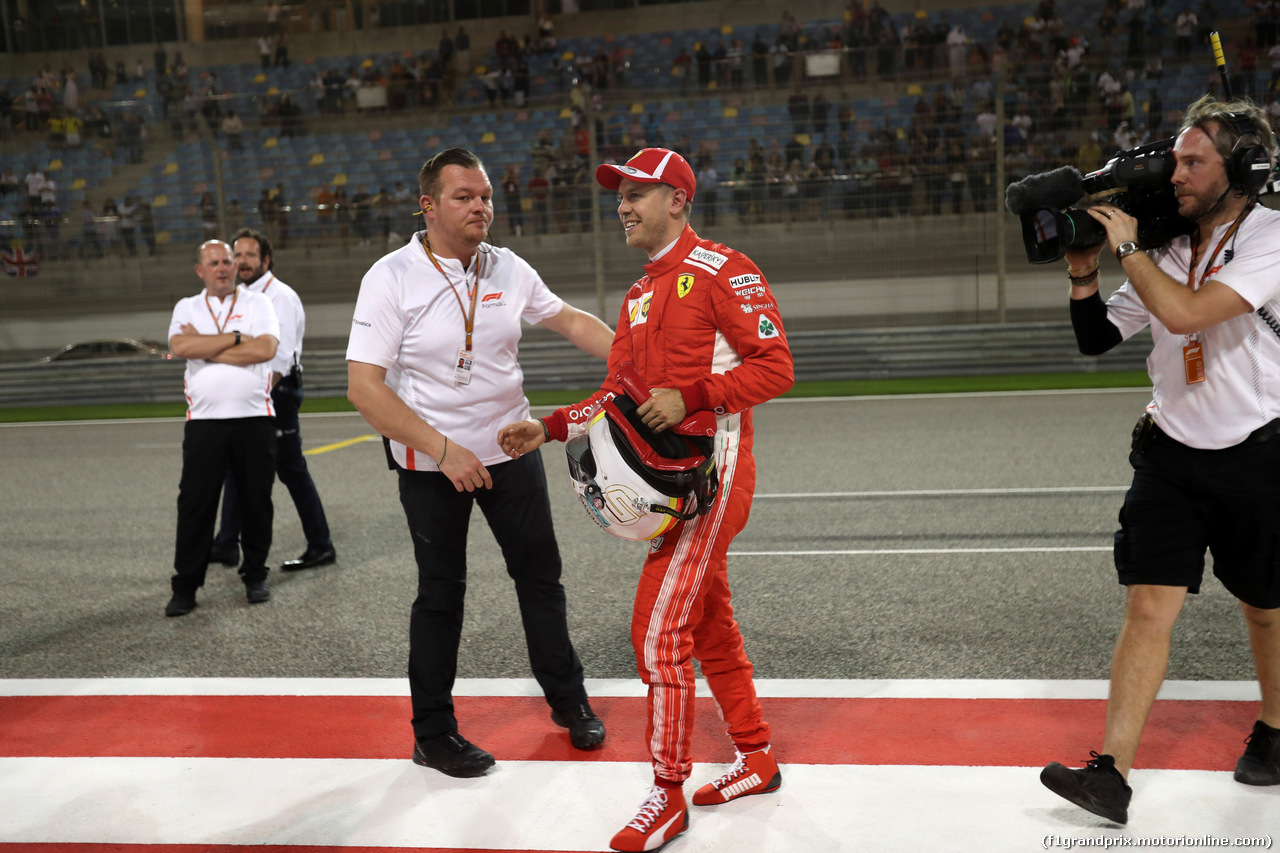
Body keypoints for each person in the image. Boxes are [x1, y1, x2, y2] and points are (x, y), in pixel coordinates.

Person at [497, 148, 794, 853]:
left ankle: (666, 793)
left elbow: (777, 367)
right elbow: (619, 394)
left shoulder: (727, 270)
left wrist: (693, 395)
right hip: (668, 485)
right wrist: (551, 425)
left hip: (715, 475)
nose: (622, 206)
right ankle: (756, 756)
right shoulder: (635, 295)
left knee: (658, 630)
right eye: (619, 195)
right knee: (710, 622)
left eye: (637, 193)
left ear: (678, 201)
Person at [1040, 95, 1280, 824]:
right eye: (1175, 157)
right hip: (1170, 451)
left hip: (1257, 452)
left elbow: (1184, 313)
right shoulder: (1171, 245)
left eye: (1192, 160)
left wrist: (1130, 251)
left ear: (1239, 170)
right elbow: (1098, 338)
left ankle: (1275, 727)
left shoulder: (1272, 236)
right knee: (1148, 605)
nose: (1173, 172)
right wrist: (1085, 274)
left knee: (1265, 609)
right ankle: (1109, 773)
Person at [345, 148, 616, 778]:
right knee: (441, 595)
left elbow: (571, 320)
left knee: (540, 578)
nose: (481, 207)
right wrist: (444, 450)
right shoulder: (390, 277)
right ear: (429, 205)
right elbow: (365, 388)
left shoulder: (508, 267)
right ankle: (433, 734)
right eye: (464, 196)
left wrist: (640, 357)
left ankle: (569, 700)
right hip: (430, 463)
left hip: (511, 449)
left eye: (486, 196)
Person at [164, 240, 280, 617]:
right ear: (200, 269)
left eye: (227, 261)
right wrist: (233, 339)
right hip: (204, 423)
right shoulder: (187, 306)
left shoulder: (258, 302)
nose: (223, 268)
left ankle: (255, 575)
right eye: (213, 263)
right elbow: (180, 345)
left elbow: (265, 350)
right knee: (195, 505)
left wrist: (206, 346)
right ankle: (186, 586)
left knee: (255, 502)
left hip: (254, 418)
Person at [210, 228, 336, 572]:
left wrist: (254, 396)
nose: (242, 261)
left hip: (274, 393)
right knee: (235, 468)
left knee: (291, 470)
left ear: (265, 260)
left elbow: (280, 359)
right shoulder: (240, 298)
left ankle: (321, 546)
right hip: (250, 392)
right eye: (238, 255)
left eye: (250, 255)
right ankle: (225, 544)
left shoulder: (280, 297)